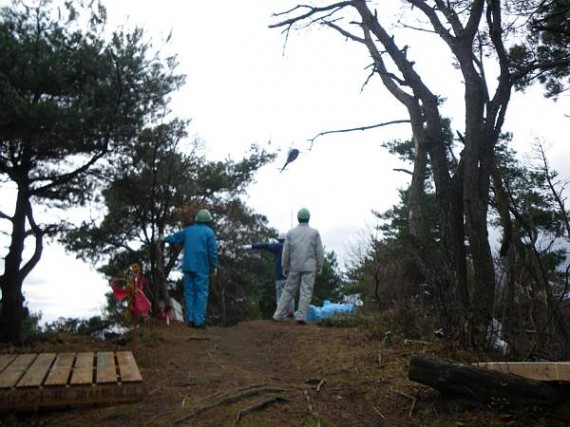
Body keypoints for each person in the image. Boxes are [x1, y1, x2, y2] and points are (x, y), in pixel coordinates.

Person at [163, 208, 218, 328]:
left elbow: (174, 238)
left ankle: (190, 319)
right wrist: (213, 265)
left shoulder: (188, 231)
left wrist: (163, 238)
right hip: (202, 267)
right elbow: (213, 252)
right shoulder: (209, 233)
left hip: (188, 266)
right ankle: (199, 321)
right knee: (201, 293)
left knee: (189, 293)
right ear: (208, 221)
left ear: (197, 220)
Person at [273, 208, 324, 324]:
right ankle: (301, 316)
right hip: (310, 267)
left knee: (288, 291)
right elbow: (319, 251)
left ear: (298, 218)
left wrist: (284, 266)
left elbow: (286, 252)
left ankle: (278, 315)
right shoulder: (314, 233)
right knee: (306, 292)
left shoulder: (291, 233)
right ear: (308, 218)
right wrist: (320, 266)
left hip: (294, 266)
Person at [242, 233, 295, 316]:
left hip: (280, 275)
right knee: (290, 294)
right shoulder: (292, 248)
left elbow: (265, 246)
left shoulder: (278, 247)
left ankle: (281, 314)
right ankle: (291, 312)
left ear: (279, 240)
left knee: (280, 295)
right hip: (291, 275)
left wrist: (252, 246)